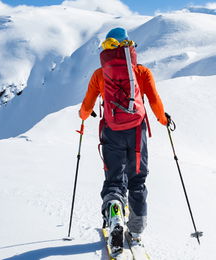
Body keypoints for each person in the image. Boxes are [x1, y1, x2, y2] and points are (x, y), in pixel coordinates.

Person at [78, 27, 168, 247]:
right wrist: (163, 119)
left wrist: (83, 116)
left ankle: (115, 212)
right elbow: (154, 100)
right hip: (137, 132)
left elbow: (87, 105)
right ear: (129, 46)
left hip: (111, 131)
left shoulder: (100, 74)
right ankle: (135, 231)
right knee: (137, 180)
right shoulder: (142, 72)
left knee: (114, 180)